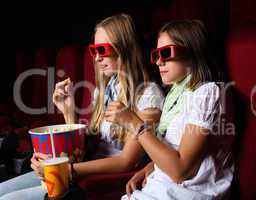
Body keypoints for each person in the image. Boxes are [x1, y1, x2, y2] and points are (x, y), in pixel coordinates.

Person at [0, 14, 164, 200]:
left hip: (102, 182)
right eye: (94, 51)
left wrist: (62, 169)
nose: (97, 58)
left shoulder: (149, 94)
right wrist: (68, 112)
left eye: (102, 49)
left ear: (124, 49)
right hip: (81, 171)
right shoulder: (104, 90)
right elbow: (84, 152)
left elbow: (127, 162)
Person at [104, 19, 235, 200]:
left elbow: (180, 170)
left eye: (165, 53)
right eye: (155, 55)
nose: (158, 62)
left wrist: (134, 123)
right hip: (162, 187)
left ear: (192, 52)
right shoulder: (175, 93)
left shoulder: (208, 93)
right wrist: (149, 168)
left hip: (190, 193)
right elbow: (173, 149)